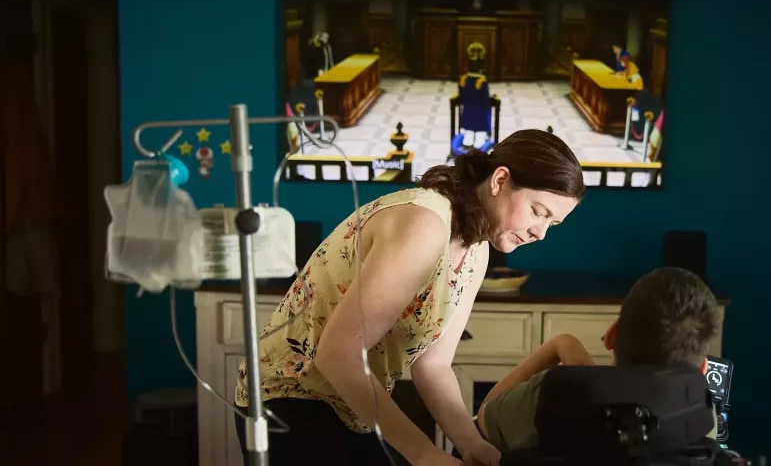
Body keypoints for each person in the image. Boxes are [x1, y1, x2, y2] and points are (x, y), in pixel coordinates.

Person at [234, 129, 586, 466]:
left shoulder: (476, 248)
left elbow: (433, 367)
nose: (540, 233)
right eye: (538, 212)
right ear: (499, 180)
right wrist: (423, 454)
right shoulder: (424, 222)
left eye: (552, 224)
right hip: (290, 398)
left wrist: (473, 443)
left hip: (352, 406)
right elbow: (339, 354)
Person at [476, 267, 720, 453]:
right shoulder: (702, 420)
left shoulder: (552, 392)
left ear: (612, 335)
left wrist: (559, 344)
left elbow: (482, 424)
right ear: (703, 367)